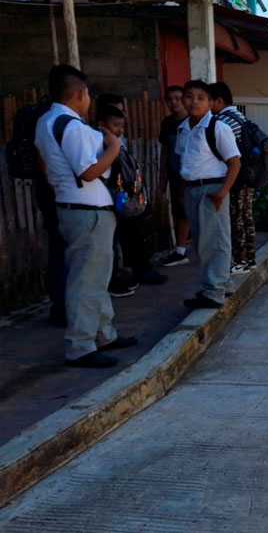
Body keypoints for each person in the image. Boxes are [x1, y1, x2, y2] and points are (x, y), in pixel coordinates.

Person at [35, 65, 136, 367]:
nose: (89, 99)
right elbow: (88, 170)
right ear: (79, 93)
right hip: (88, 211)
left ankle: (104, 332)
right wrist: (115, 147)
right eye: (88, 93)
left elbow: (45, 166)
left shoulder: (45, 122)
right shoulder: (73, 127)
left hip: (73, 205)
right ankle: (81, 345)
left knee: (95, 275)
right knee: (86, 280)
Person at [176, 80, 241, 310]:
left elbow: (234, 163)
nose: (194, 102)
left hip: (213, 189)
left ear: (211, 103)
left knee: (216, 240)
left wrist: (222, 193)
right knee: (202, 242)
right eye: (189, 96)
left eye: (201, 97)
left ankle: (213, 291)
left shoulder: (218, 128)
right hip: (192, 190)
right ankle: (221, 283)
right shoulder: (183, 129)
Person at [97, 103, 167, 291]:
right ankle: (114, 279)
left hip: (127, 199)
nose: (119, 130)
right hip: (111, 199)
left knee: (133, 237)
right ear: (101, 124)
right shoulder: (100, 143)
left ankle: (138, 270)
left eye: (121, 125)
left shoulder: (117, 143)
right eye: (115, 125)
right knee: (111, 243)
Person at [209, 82, 257, 274]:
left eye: (208, 100)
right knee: (247, 215)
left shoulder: (223, 122)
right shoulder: (240, 116)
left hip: (236, 175)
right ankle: (250, 257)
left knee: (236, 217)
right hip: (249, 174)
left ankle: (240, 260)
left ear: (218, 101)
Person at [158, 85, 190, 267]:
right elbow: (165, 151)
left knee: (186, 209)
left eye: (178, 98)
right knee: (177, 210)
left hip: (191, 174)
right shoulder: (167, 123)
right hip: (173, 172)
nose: (174, 103)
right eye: (170, 99)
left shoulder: (191, 122)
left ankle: (181, 249)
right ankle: (180, 246)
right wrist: (162, 178)